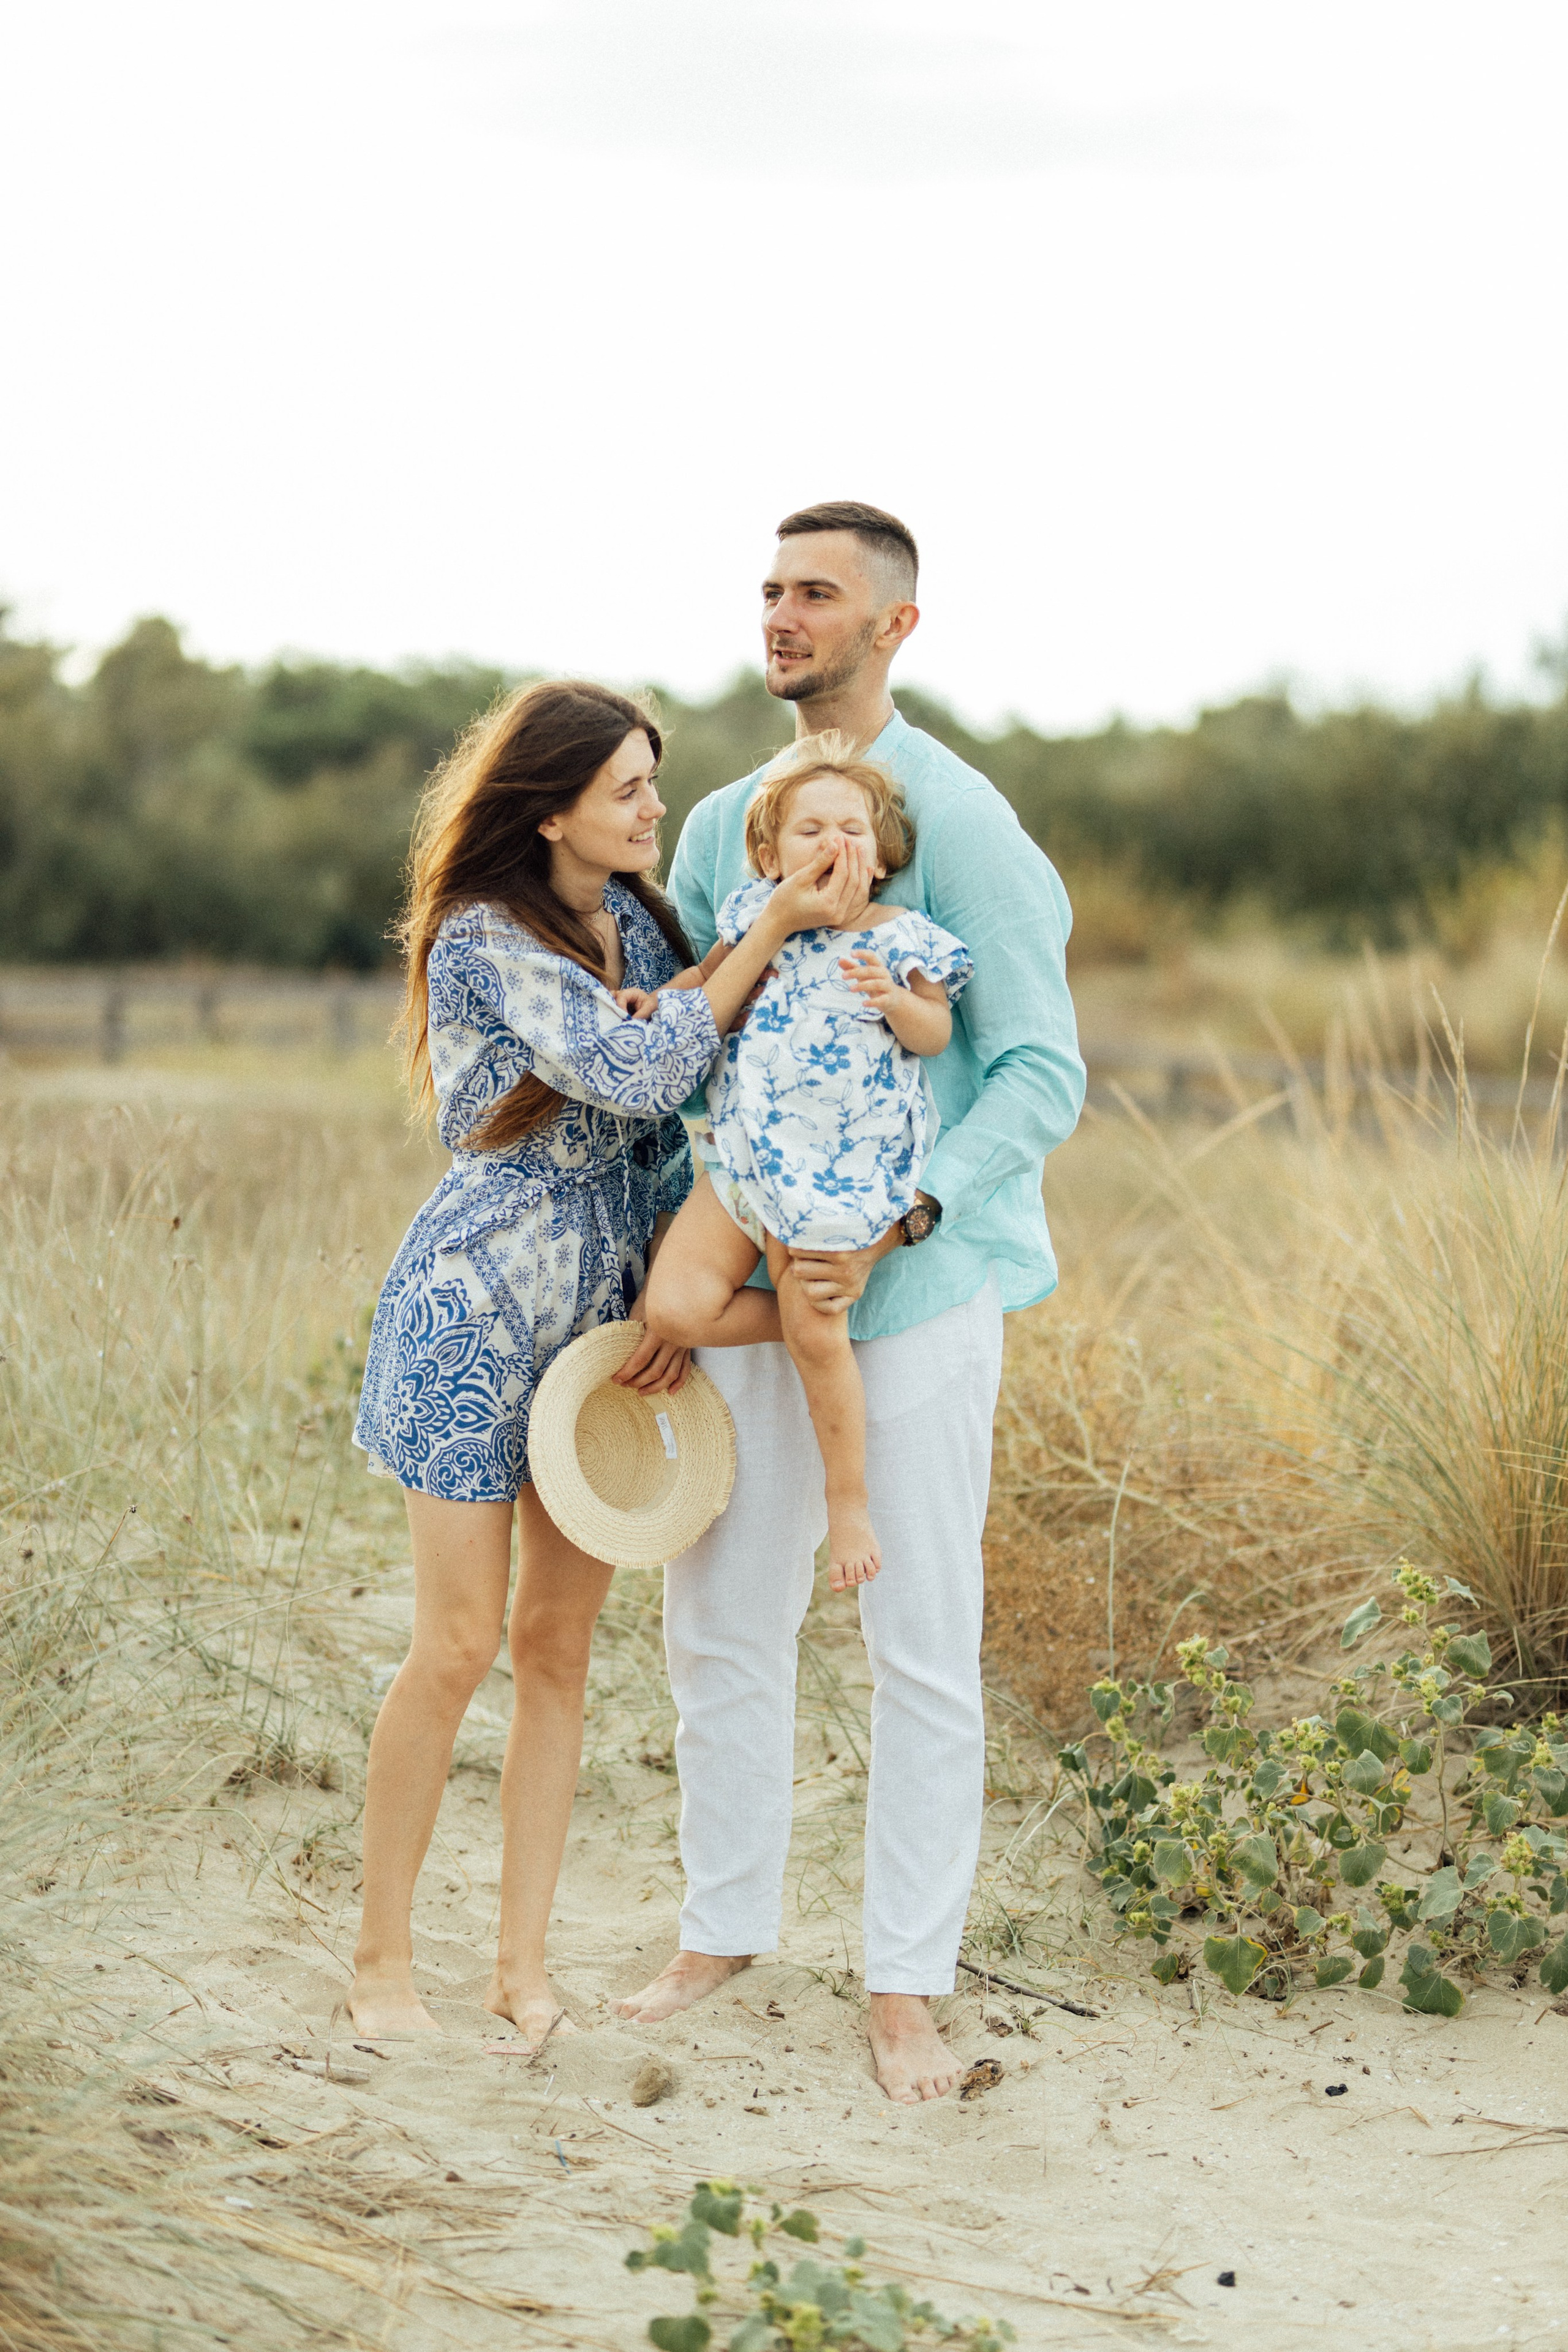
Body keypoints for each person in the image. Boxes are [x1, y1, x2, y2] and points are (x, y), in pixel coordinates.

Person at [614, 502, 1085, 2102]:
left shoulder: (965, 824)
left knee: (919, 1638)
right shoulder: (727, 826)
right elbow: (691, 1043)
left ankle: (904, 1989)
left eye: (815, 593)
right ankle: (722, 1928)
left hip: (925, 1280)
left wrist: (910, 1210)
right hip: (753, 1264)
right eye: (768, 590)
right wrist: (698, 1241)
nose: (781, 615)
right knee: (720, 1616)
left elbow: (1038, 1067)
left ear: (896, 624)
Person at [347, 678, 856, 2046]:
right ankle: (381, 1963)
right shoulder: (476, 938)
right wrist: (762, 938)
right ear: (551, 806)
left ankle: (521, 1969)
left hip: (599, 1335)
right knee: (454, 1648)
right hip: (471, 1320)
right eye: (627, 788)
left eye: (652, 780)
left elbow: (695, 1050)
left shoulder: (633, 920)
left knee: (555, 1647)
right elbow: (633, 1072)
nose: (651, 807)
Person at [635, 733, 971, 1591]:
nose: (834, 845)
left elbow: (936, 1033)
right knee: (671, 1310)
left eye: (853, 829)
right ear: (769, 854)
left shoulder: (905, 938)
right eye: (811, 829)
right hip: (743, 1155)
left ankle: (848, 1500)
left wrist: (899, 1003)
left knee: (817, 1334)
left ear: (884, 851)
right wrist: (656, 1003)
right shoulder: (756, 916)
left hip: (839, 1171)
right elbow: (709, 980)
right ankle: (797, 1314)